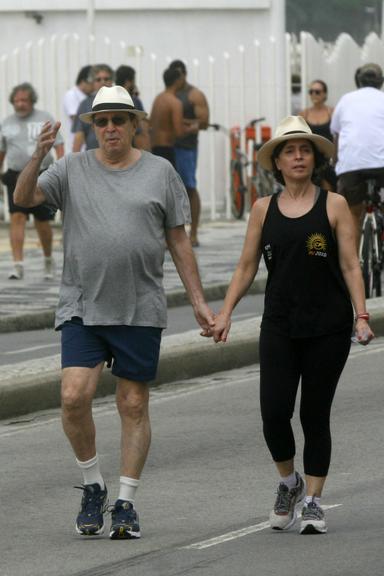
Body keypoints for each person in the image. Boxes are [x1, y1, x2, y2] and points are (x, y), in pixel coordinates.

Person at [14, 85, 215, 540]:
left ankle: (125, 501)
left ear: (133, 125)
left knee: (133, 403)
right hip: (83, 305)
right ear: (92, 127)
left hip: (140, 306)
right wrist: (37, 156)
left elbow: (178, 240)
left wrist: (200, 302)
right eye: (101, 121)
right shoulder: (70, 168)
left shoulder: (160, 172)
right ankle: (93, 486)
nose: (109, 128)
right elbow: (24, 199)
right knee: (72, 396)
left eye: (118, 120)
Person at [208, 116, 374, 535]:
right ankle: (289, 483)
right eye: (289, 151)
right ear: (277, 162)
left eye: (304, 150)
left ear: (314, 159)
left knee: (315, 415)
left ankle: (314, 502)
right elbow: (247, 266)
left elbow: (351, 265)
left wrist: (362, 315)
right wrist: (225, 312)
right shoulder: (263, 209)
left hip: (328, 328)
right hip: (280, 325)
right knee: (273, 413)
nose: (298, 157)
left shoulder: (333, 204)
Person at [0, 82, 64, 280]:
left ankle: (47, 259)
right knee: (17, 217)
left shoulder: (44, 118)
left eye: (24, 100)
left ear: (32, 101)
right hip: (15, 176)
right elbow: (1, 152)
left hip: (42, 175)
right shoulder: (7, 123)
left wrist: (60, 168)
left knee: (42, 221)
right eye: (17, 100)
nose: (20, 104)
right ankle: (17, 264)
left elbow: (59, 145)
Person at [330, 63, 384, 247]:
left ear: (358, 82)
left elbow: (337, 135)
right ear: (381, 82)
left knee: (353, 214)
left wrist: (336, 163)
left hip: (351, 167)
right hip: (382, 166)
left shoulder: (346, 100)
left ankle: (354, 264)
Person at [169, 60, 210, 247]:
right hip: (168, 145)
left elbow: (203, 122)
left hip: (186, 147)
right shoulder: (170, 92)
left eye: (179, 75)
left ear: (184, 75)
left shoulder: (195, 95)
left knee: (189, 188)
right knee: (167, 190)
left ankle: (193, 233)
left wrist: (182, 122)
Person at [149, 67, 198, 168]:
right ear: (177, 81)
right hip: (166, 149)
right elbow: (179, 132)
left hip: (154, 148)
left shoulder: (158, 98)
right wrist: (192, 129)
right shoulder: (175, 103)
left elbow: (153, 122)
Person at [299, 79, 337, 191]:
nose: (314, 94)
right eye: (311, 92)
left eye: (317, 91)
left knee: (329, 189)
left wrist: (336, 156)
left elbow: (338, 135)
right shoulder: (304, 114)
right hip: (311, 158)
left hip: (328, 158)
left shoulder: (332, 112)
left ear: (324, 94)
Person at [72, 64, 114, 152]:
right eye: (98, 79)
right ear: (93, 83)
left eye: (106, 79)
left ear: (112, 81)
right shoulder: (85, 104)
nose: (103, 82)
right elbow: (79, 136)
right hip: (93, 158)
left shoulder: (122, 100)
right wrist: (74, 162)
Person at [115, 64, 150, 150]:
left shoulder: (111, 99)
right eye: (133, 80)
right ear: (128, 81)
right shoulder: (133, 101)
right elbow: (142, 127)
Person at [62, 65, 93, 150]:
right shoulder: (71, 95)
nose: (94, 86)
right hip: (77, 147)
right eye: (92, 83)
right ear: (83, 81)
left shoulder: (89, 97)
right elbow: (77, 120)